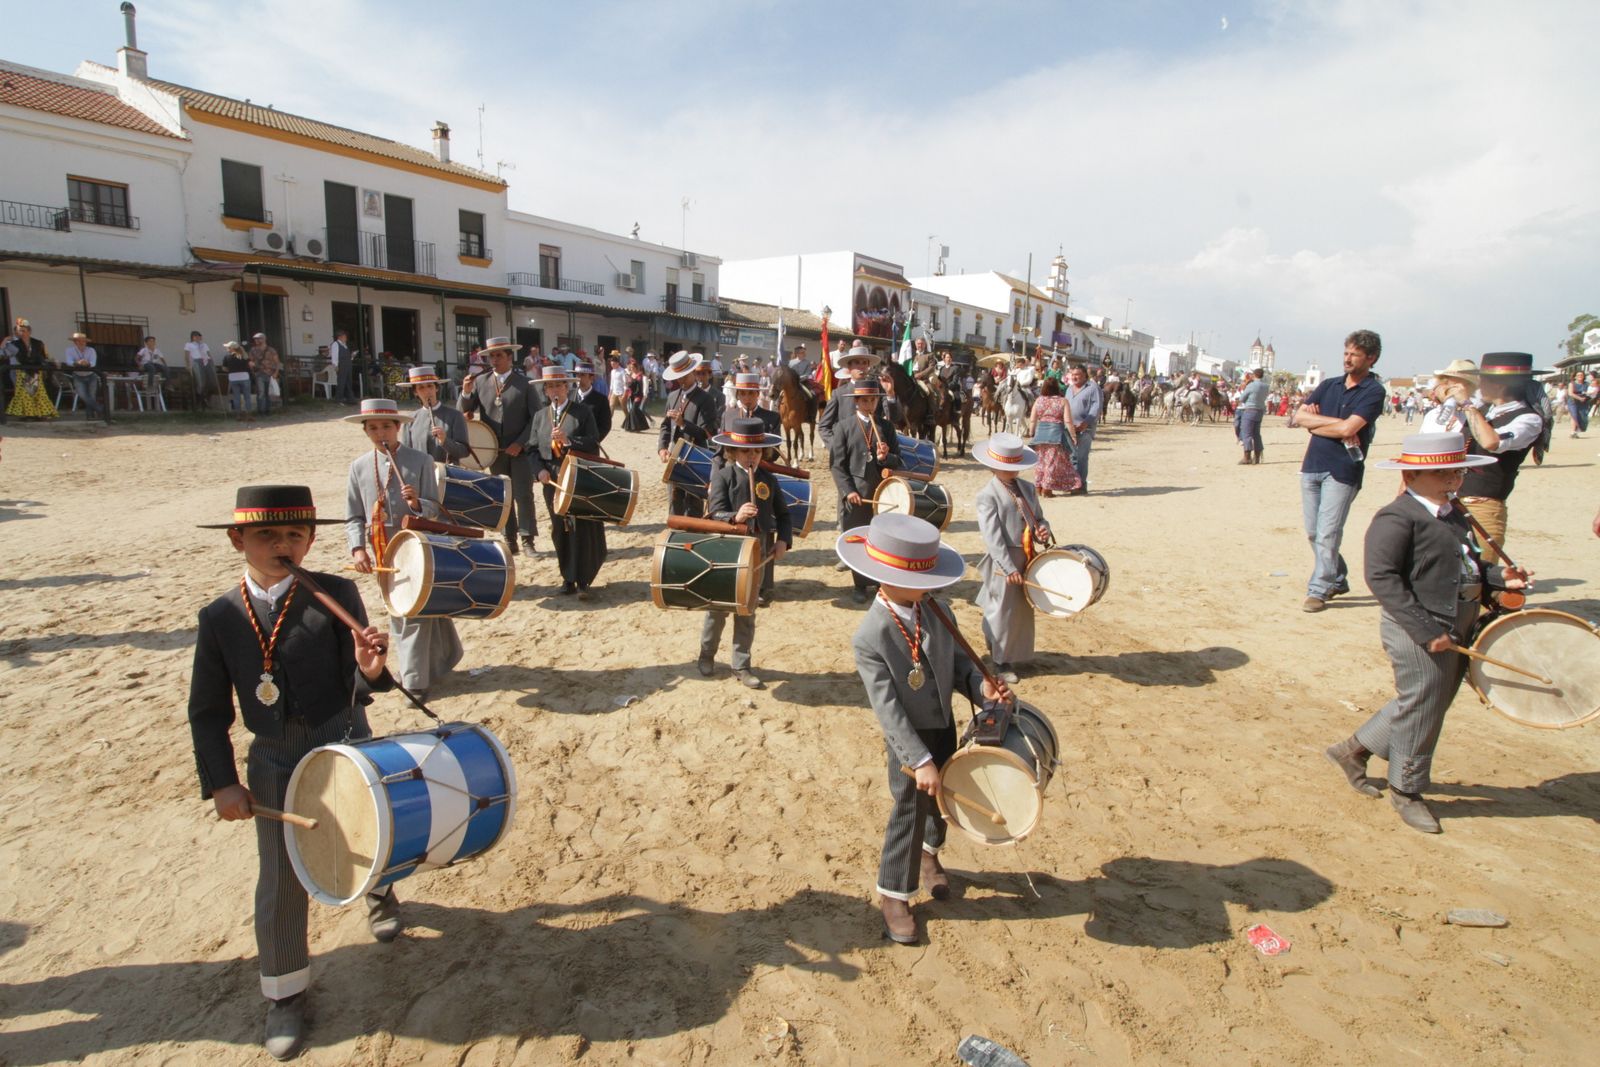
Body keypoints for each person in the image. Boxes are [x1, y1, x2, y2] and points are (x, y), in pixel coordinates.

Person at [187, 484, 400, 1059]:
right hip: (275, 755)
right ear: (238, 540)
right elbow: (207, 711)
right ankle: (285, 993)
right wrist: (224, 782)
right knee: (280, 875)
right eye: (267, 535)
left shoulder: (334, 593)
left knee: (365, 835)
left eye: (295, 535)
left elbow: (365, 684)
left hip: (341, 739)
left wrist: (369, 668)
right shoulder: (220, 617)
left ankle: (381, 893)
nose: (283, 544)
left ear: (310, 539)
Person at [1323, 432, 1529, 834]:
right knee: (1423, 704)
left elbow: (1466, 567)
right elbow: (1381, 579)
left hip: (1456, 623)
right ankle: (1407, 790)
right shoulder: (1397, 517)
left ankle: (1351, 751)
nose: (1455, 478)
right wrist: (1424, 629)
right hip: (1417, 627)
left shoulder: (1453, 512)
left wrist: (1500, 577)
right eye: (1444, 472)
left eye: (1458, 470)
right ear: (1414, 475)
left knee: (1423, 701)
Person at [840, 512, 1013, 944]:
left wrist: (981, 687)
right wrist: (918, 761)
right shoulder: (871, 636)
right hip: (908, 745)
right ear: (888, 578)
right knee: (909, 811)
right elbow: (888, 709)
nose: (932, 586)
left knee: (940, 805)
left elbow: (956, 667)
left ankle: (929, 856)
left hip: (943, 727)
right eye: (924, 579)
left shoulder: (936, 609)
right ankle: (893, 893)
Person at [344, 397, 462, 695]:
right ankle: (440, 660)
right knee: (402, 611)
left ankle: (413, 681)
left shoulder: (421, 461)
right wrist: (358, 548)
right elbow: (354, 516)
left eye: (386, 426)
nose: (381, 433)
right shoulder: (358, 468)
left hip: (418, 549)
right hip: (383, 552)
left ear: (398, 427)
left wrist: (417, 503)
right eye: (373, 428)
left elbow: (434, 509)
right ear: (365, 431)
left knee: (411, 613)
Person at [1294, 329, 1387, 612]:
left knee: (1328, 532)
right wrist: (1333, 423)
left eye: (1354, 354)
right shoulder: (1330, 385)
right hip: (1312, 465)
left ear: (1371, 358)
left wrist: (1317, 422)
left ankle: (1319, 589)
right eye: (1346, 353)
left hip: (1343, 470)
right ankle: (1337, 576)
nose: (1347, 359)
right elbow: (1298, 417)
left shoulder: (1373, 391)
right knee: (1313, 532)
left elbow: (1350, 428)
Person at [700, 416, 792, 687]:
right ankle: (706, 655)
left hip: (758, 552)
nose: (751, 456)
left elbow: (784, 516)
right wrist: (735, 516)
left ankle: (741, 665)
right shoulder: (724, 476)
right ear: (732, 452)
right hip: (727, 552)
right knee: (717, 610)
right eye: (745, 451)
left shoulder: (769, 479)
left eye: (756, 450)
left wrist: (783, 541)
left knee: (748, 610)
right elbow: (713, 513)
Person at [973, 432, 1053, 684]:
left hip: (1027, 555)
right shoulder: (987, 495)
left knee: (1017, 610)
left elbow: (1039, 517)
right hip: (1004, 558)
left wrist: (1043, 529)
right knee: (1003, 610)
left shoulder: (1028, 488)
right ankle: (1000, 661)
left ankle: (1009, 652)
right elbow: (992, 537)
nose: (1013, 471)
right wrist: (1007, 567)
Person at [1452, 352, 1543, 564]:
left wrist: (1467, 405)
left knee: (1480, 577)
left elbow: (1491, 442)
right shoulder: (1485, 410)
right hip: (1455, 499)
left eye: (1483, 379)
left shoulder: (1528, 419)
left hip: (1483, 504)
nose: (1479, 384)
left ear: (1500, 385)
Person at [460, 337, 542, 556]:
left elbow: (536, 418)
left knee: (523, 494)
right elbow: (464, 410)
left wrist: (520, 443)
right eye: (491, 356)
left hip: (520, 449)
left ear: (509, 357)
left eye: (498, 355)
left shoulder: (524, 384)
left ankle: (527, 540)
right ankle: (510, 538)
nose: (494, 360)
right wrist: (466, 392)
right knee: (502, 496)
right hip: (493, 451)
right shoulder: (481, 381)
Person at [530, 365, 604, 597]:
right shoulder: (540, 416)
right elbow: (531, 449)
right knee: (559, 528)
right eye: (549, 386)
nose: (554, 390)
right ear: (544, 390)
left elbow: (593, 442)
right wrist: (539, 471)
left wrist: (569, 440)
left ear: (567, 387)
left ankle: (583, 579)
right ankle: (567, 578)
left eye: (559, 385)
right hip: (551, 478)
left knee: (580, 527)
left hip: (576, 475)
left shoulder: (582, 412)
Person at [830, 378, 903, 603]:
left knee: (882, 540)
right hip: (856, 495)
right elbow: (836, 465)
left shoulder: (887, 427)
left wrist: (886, 457)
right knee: (859, 540)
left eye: (873, 400)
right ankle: (860, 585)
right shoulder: (843, 427)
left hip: (881, 493)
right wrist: (848, 491)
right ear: (857, 402)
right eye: (865, 401)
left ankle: (881, 582)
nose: (870, 405)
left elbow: (898, 461)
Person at [656, 350, 718, 518]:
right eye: (678, 377)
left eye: (684, 376)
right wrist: (662, 448)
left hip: (696, 458)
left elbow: (707, 433)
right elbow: (665, 427)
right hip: (675, 458)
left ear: (692, 372)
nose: (681, 381)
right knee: (674, 503)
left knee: (694, 506)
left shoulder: (705, 399)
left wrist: (684, 424)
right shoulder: (672, 396)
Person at [397, 365, 470, 462]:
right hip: (420, 474)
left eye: (430, 386)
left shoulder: (455, 416)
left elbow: (464, 451)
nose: (427, 391)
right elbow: (406, 454)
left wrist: (445, 441)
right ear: (415, 392)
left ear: (436, 388)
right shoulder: (410, 420)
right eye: (421, 388)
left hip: (446, 474)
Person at [1028, 377, 1079, 496]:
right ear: (1057, 387)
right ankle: (1047, 488)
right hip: (1056, 434)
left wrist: (1032, 433)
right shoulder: (1063, 401)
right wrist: (1073, 436)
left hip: (1040, 433)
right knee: (1052, 462)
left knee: (1040, 461)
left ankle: (1038, 486)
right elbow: (1068, 421)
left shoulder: (1039, 400)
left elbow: (1033, 419)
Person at [2, 318, 55, 421]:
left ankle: (39, 414)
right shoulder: (14, 344)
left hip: (35, 371)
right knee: (24, 393)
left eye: (23, 330)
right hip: (20, 371)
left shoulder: (38, 343)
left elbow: (44, 356)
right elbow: (3, 354)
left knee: (37, 393)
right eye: (19, 330)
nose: (21, 333)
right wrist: (4, 341)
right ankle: (28, 415)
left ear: (29, 331)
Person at [1062, 364, 1101, 492]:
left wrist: (1085, 422)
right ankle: (1073, 484)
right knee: (1071, 457)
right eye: (1072, 375)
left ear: (1085, 375)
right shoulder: (1069, 389)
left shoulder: (1093, 388)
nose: (1074, 377)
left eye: (1077, 375)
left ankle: (1081, 485)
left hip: (1085, 429)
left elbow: (1096, 407)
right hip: (1069, 429)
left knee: (1082, 458)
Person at [62, 331, 105, 420]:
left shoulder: (91, 350)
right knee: (83, 395)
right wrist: (77, 363)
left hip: (91, 375)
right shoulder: (69, 350)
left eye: (83, 341)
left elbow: (93, 363)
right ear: (75, 342)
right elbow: (69, 362)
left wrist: (86, 363)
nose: (81, 343)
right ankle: (100, 409)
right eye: (79, 341)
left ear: (86, 342)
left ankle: (90, 416)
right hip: (78, 375)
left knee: (91, 396)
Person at [1235, 367, 1269, 464]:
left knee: (1247, 433)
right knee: (1256, 434)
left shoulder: (1252, 385)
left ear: (1254, 375)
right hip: (1260, 411)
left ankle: (1247, 457)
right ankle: (1257, 457)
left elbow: (1242, 398)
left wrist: (1246, 384)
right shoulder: (1266, 386)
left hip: (1250, 410)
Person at [184, 330, 219, 411]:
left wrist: (213, 364)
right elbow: (186, 355)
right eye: (197, 336)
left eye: (200, 336)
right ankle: (200, 400)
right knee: (201, 383)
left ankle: (206, 397)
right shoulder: (189, 344)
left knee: (213, 383)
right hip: (197, 361)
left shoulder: (204, 344)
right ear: (193, 337)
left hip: (207, 361)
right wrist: (188, 365)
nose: (199, 338)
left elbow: (209, 354)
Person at [222, 341, 254, 421]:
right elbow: (251, 365)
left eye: (228, 347)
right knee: (247, 397)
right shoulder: (244, 356)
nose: (227, 349)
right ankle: (249, 414)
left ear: (232, 348)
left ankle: (238, 415)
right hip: (244, 376)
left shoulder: (227, 357)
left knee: (236, 397)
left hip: (233, 377)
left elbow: (224, 368)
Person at [249, 334, 280, 416]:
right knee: (261, 393)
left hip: (270, 374)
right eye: (255, 339)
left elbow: (277, 362)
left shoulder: (271, 350)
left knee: (268, 393)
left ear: (264, 339)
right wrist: (252, 366)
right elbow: (250, 361)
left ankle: (267, 410)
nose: (256, 340)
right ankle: (261, 411)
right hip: (259, 373)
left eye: (258, 339)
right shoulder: (253, 350)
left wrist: (276, 373)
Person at [329, 329, 355, 404]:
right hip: (342, 365)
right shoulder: (335, 344)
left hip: (348, 365)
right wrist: (336, 366)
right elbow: (334, 356)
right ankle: (339, 399)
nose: (346, 338)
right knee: (341, 382)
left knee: (348, 382)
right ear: (340, 337)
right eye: (344, 336)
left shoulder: (344, 345)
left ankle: (350, 399)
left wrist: (352, 356)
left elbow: (347, 356)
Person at [624, 358, 650, 432]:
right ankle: (634, 427)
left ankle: (635, 427)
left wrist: (645, 396)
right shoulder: (631, 375)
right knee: (634, 411)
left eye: (633, 368)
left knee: (634, 409)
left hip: (639, 395)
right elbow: (628, 385)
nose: (631, 369)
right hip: (632, 395)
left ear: (636, 368)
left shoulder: (642, 376)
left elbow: (645, 387)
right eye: (631, 368)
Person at [1564, 370, 1591, 437]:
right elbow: (1570, 393)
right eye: (1578, 375)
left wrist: (1587, 395)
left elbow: (1590, 392)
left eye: (1581, 375)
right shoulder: (1571, 384)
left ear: (1584, 376)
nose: (1580, 376)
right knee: (1574, 416)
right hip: (1573, 402)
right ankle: (1573, 432)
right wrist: (1580, 398)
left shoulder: (1587, 384)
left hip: (1583, 402)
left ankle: (1577, 430)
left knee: (1582, 417)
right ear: (1575, 377)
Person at [607, 353, 628, 418]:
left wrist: (624, 394)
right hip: (614, 392)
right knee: (611, 407)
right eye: (611, 364)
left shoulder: (622, 371)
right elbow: (612, 383)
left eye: (613, 364)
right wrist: (609, 394)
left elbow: (625, 383)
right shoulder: (612, 371)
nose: (612, 365)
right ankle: (608, 424)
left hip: (621, 393)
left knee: (624, 409)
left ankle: (629, 421)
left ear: (617, 363)